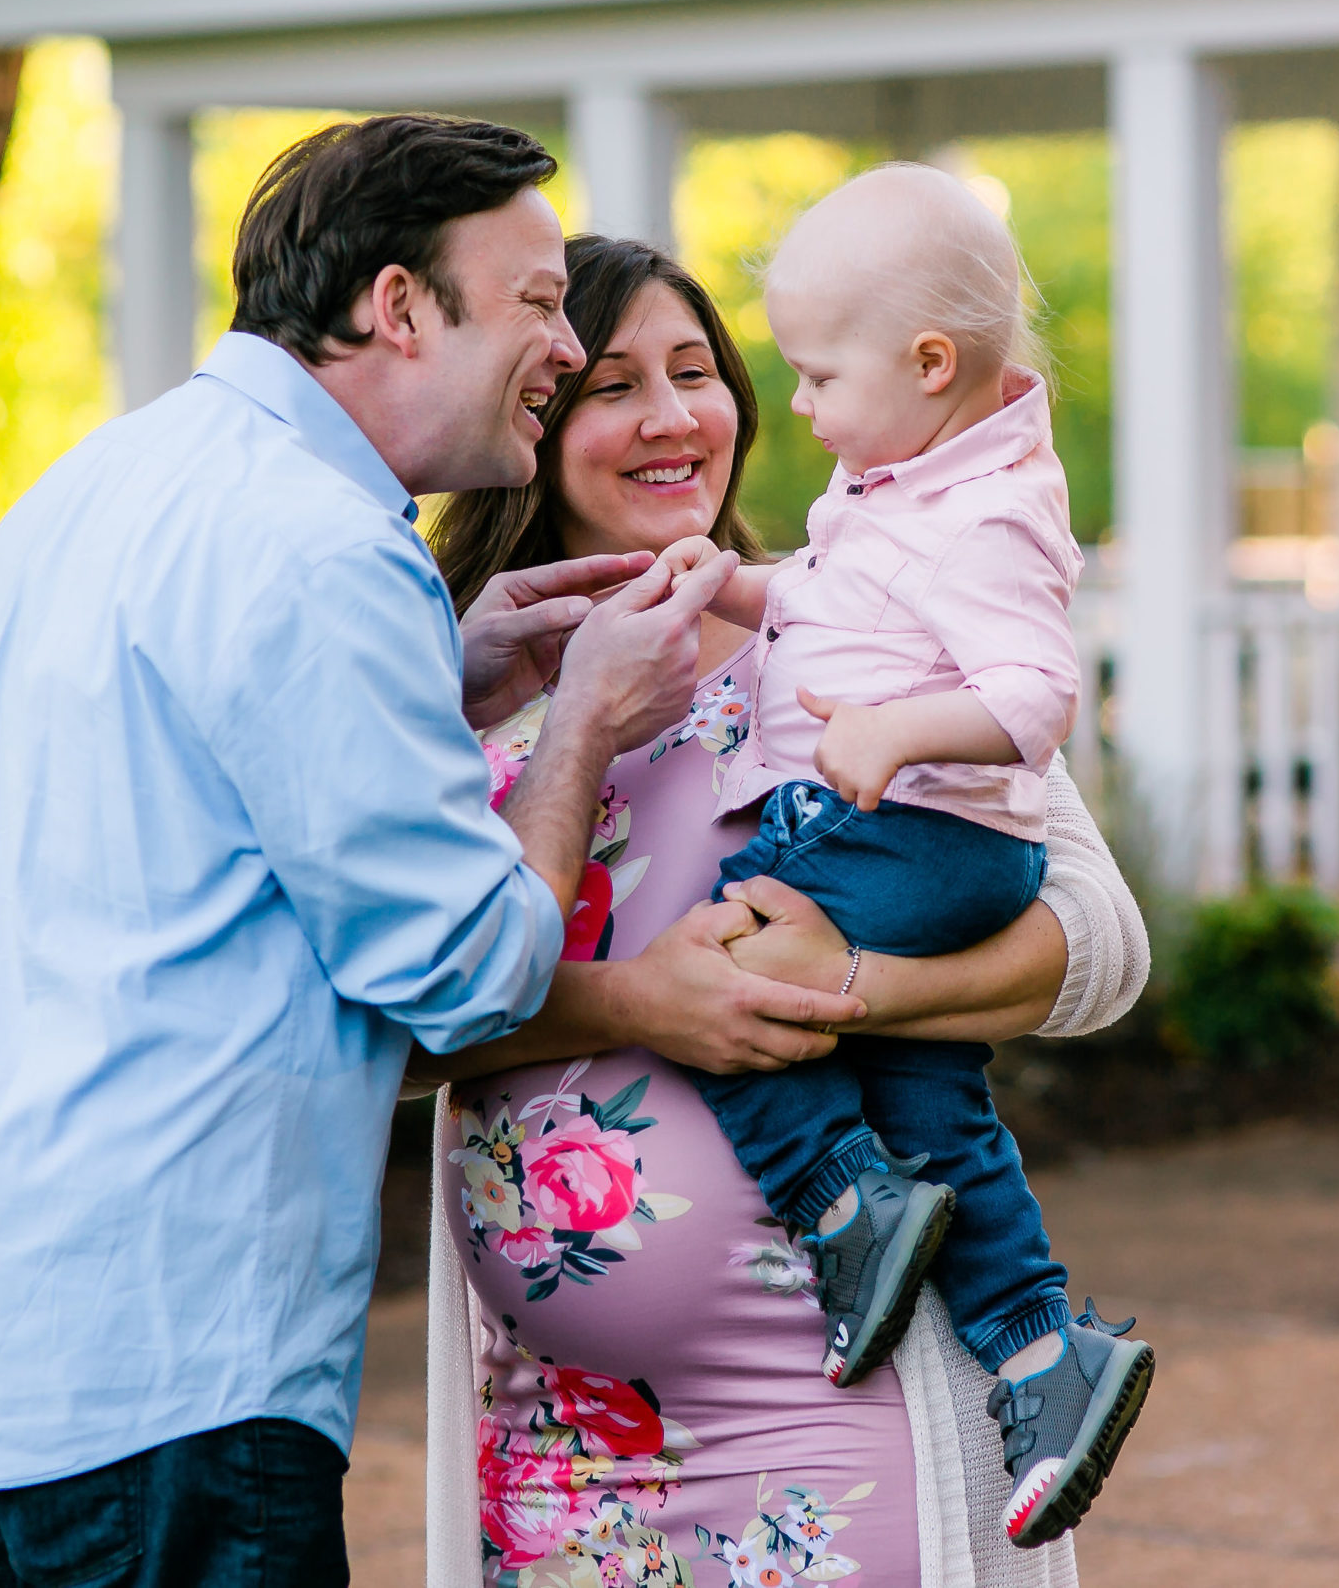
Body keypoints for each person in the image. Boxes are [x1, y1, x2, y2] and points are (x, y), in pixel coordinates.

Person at [0, 117, 860, 1588]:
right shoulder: (322, 543)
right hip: (168, 1377)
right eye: (532, 302)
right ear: (397, 305)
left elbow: (200, 797)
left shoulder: (104, 483)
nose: (563, 348)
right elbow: (468, 979)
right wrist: (577, 727)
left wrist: (446, 678)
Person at [418, 233, 1151, 1586]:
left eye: (696, 372)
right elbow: (382, 1037)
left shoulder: (844, 638)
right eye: (612, 384)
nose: (671, 417)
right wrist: (643, 1004)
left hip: (833, 1431)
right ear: (534, 420)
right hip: (559, 1460)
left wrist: (849, 987)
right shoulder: (465, 689)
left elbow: (1101, 945)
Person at [668, 164, 1152, 1549]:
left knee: (728, 965)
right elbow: (832, 606)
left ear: (930, 363)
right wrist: (728, 585)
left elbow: (1032, 699)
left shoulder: (984, 511)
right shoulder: (902, 491)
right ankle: (1040, 1351)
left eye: (816, 375)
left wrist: (890, 733)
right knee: (938, 1103)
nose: (799, 405)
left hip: (924, 837)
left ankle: (845, 1204)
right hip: (916, 839)